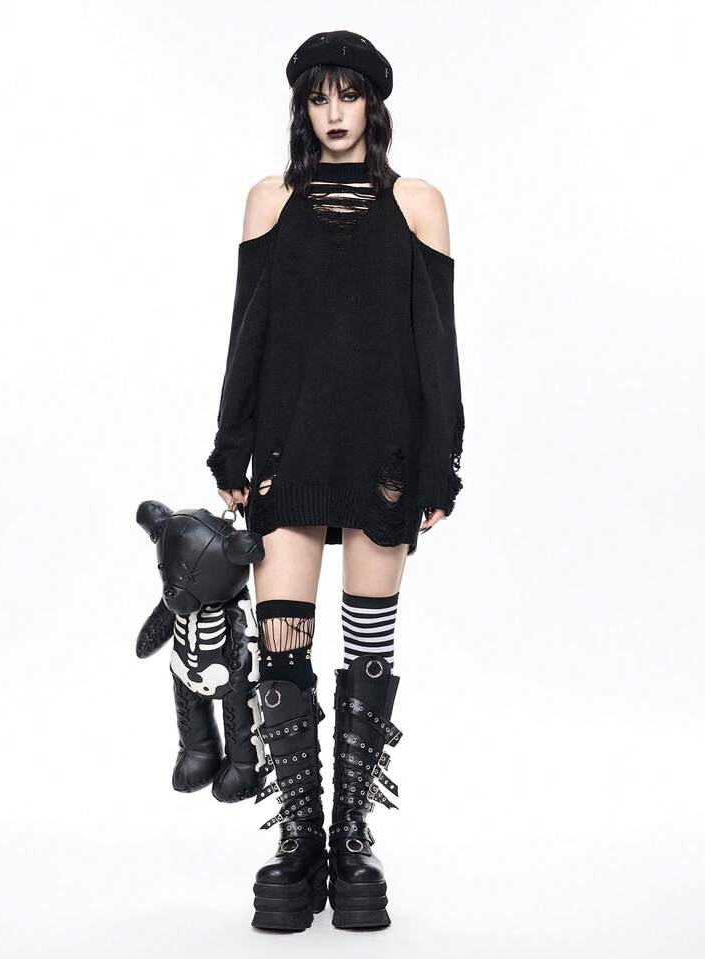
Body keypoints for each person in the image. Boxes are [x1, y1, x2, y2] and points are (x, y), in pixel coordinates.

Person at [206, 30, 465, 932]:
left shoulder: (418, 203)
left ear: (373, 105)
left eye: (348, 94)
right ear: (302, 109)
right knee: (281, 647)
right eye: (318, 97)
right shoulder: (269, 200)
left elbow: (438, 341)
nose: (334, 113)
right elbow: (247, 329)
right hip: (289, 445)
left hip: (384, 453)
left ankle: (350, 838)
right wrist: (231, 444)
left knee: (367, 652)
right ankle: (299, 838)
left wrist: (442, 459)